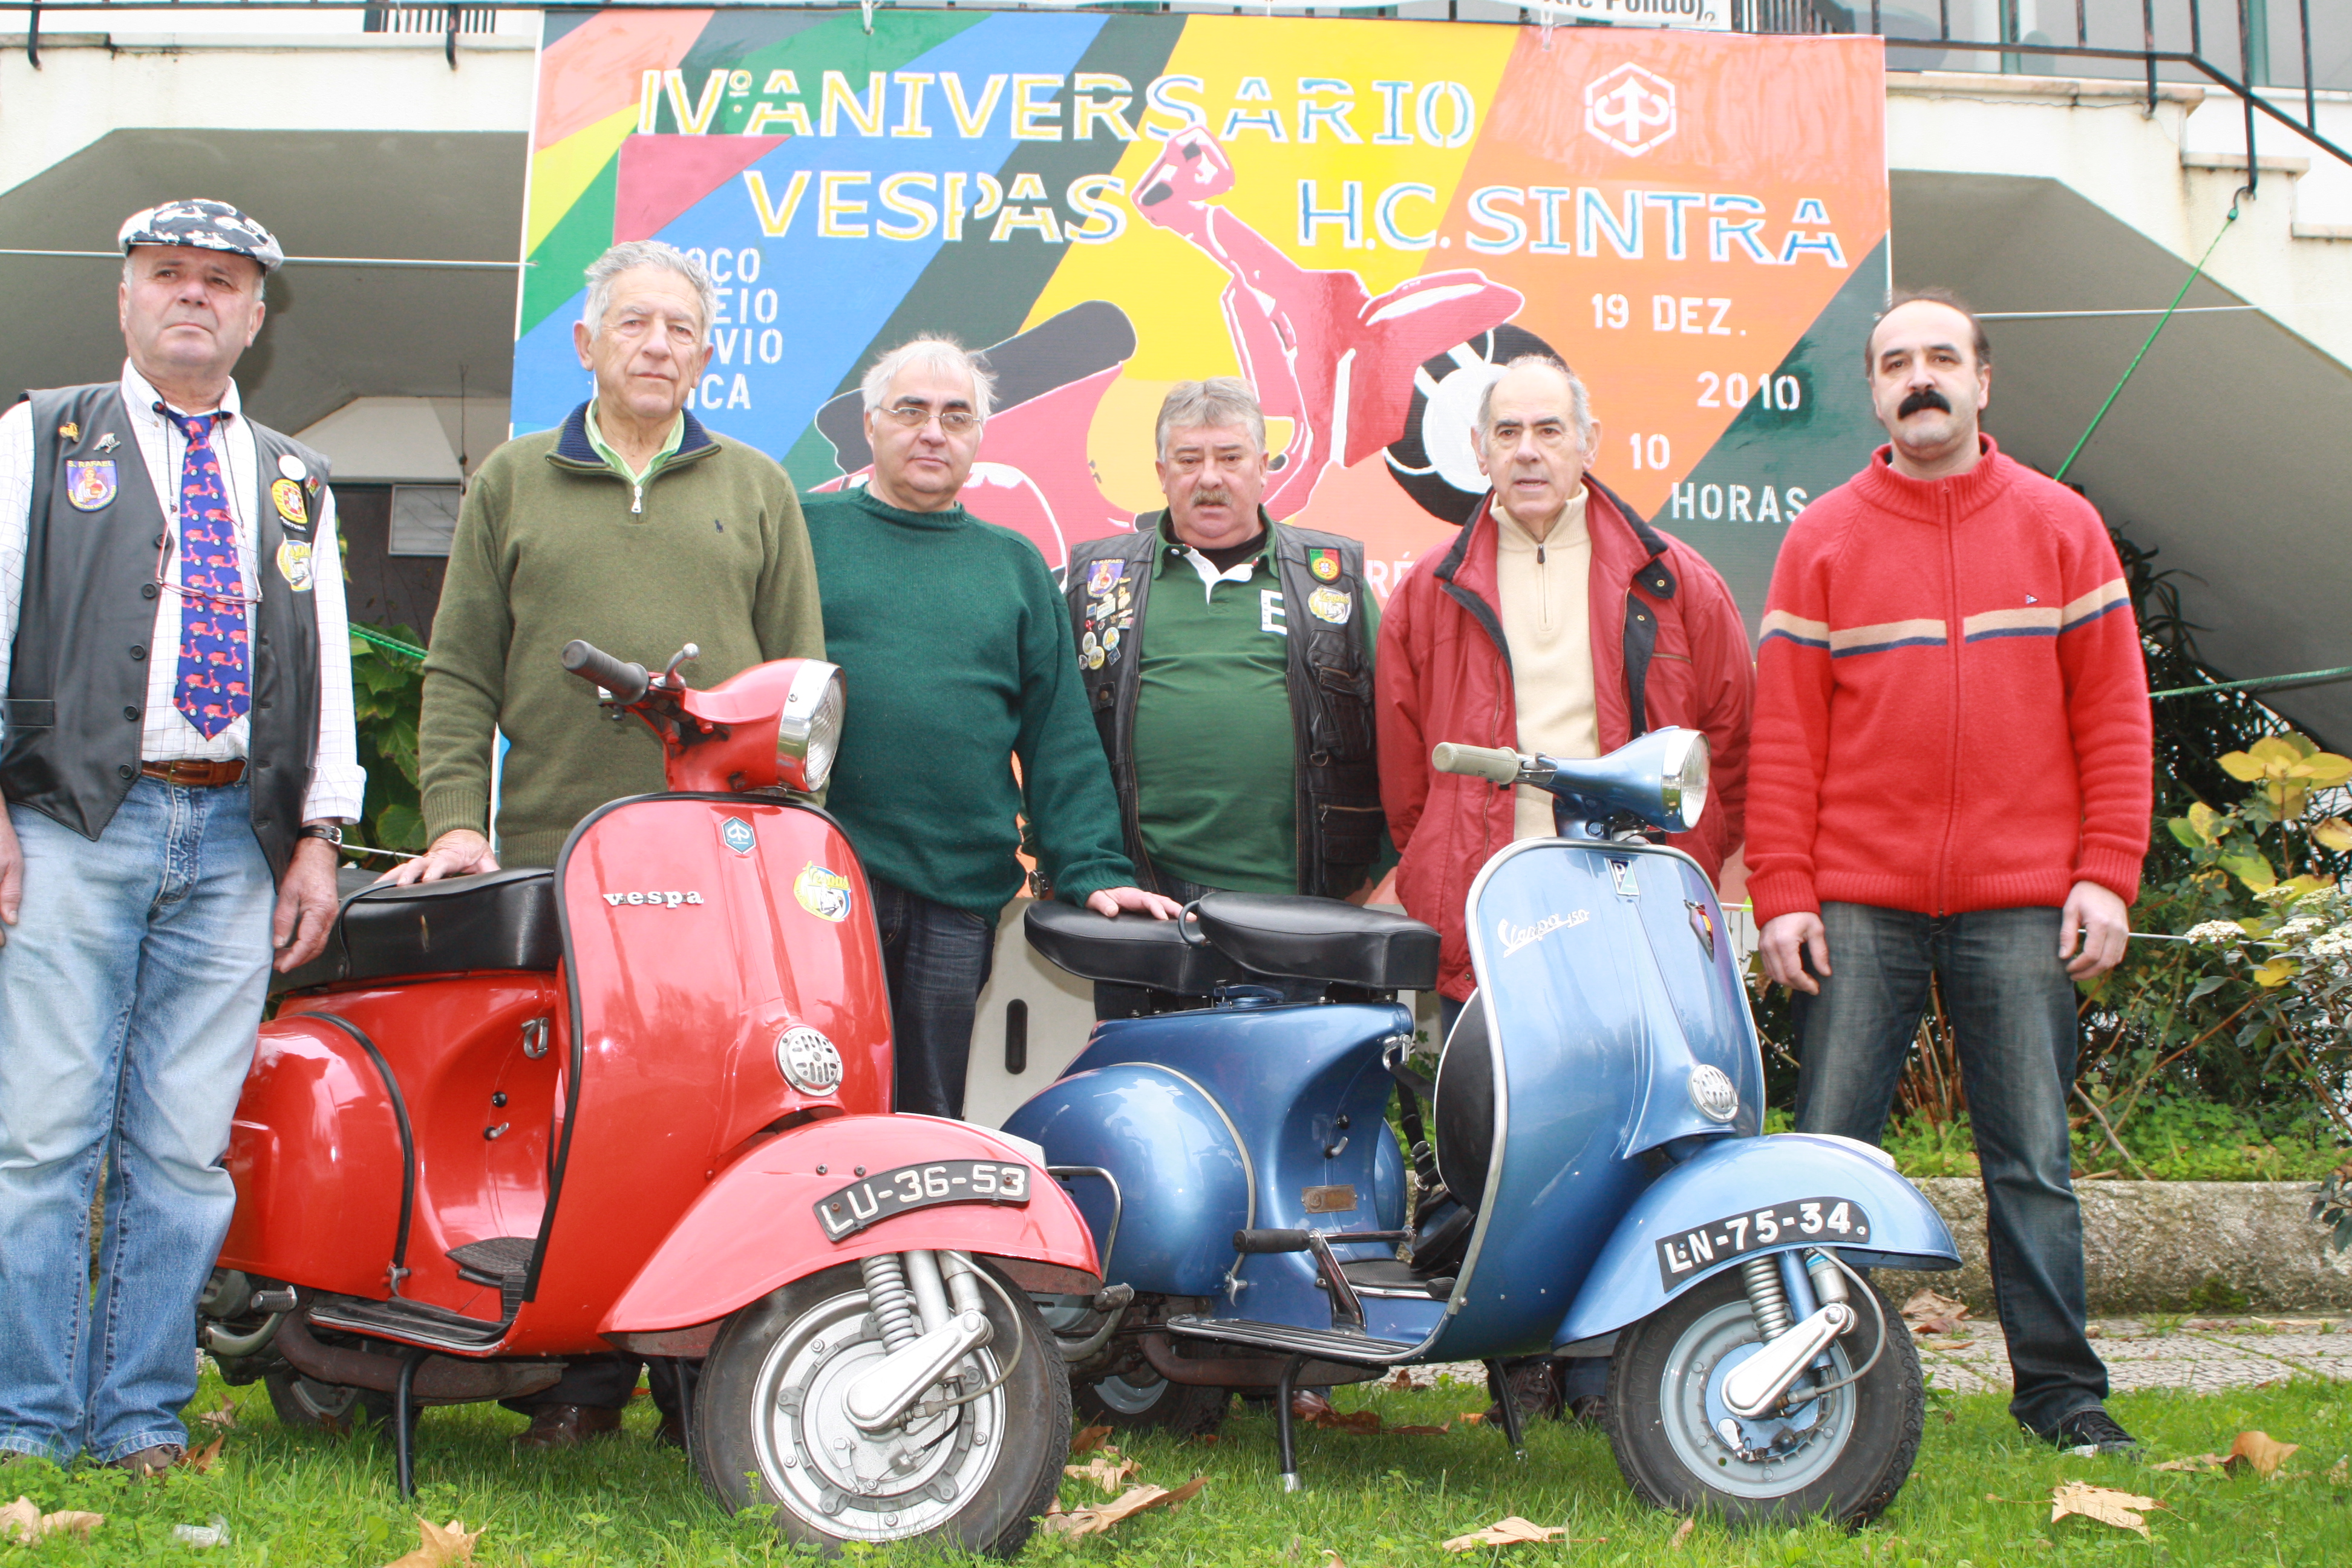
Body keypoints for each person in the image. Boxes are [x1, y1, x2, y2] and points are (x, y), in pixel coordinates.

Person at [393, 240, 825, 1450]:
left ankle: (702, 1375)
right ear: (586, 343)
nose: (657, 345)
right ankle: (573, 1380)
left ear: (707, 354)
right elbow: (459, 672)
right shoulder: (512, 481)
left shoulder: (760, 488)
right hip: (554, 858)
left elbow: (799, 691)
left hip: (723, 864)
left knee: (722, 1107)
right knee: (573, 1108)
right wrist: (457, 823)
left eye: (680, 328)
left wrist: (791, 844)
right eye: (634, 322)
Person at [1746, 288, 2151, 1456]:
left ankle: (2061, 1394)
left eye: (1938, 357)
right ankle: (1806, 1383)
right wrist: (1782, 890)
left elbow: (2113, 715)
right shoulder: (1822, 538)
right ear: (1872, 392)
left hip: (2023, 899)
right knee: (1825, 1158)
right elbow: (1785, 738)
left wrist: (2105, 871)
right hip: (1857, 900)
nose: (1916, 377)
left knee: (2031, 1162)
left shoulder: (2062, 526)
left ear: (1980, 380)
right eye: (1893, 362)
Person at [0, 201, 362, 1473]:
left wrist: (319, 837)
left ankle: (141, 1415)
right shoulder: (41, 437)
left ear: (257, 317)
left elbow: (324, 665)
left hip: (234, 843)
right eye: (168, 274)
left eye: (221, 281)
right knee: (44, 1137)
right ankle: (30, 1417)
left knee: (183, 1150)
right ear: (126, 297)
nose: (194, 295)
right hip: (72, 822)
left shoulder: (295, 477)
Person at [1375, 353, 1753, 1423]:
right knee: (1503, 1144)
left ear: (1589, 443)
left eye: (1549, 430)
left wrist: (1698, 870)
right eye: (1508, 433)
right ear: (1478, 451)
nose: (1529, 450)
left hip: (1628, 906)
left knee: (1630, 1132)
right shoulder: (1427, 592)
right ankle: (1519, 1364)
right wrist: (1444, 858)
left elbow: (1727, 739)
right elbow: (1406, 771)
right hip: (1495, 915)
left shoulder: (1674, 580)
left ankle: (1612, 1360)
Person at [802, 337, 1178, 1118]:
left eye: (955, 416)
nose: (932, 432)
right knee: (814, 1103)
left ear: (978, 436)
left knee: (928, 1116)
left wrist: (1092, 867)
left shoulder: (1014, 566)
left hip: (956, 894)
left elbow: (1057, 737)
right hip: (822, 882)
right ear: (871, 425)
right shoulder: (804, 534)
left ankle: (917, 1206)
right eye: (911, 411)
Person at [1062, 379, 1381, 1011]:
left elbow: (1394, 729)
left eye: (1230, 457)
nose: (1210, 478)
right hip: (1146, 914)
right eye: (1189, 459)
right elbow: (1057, 741)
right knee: (1151, 1074)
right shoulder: (1098, 582)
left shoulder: (1333, 582)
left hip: (1304, 912)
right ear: (1161, 474)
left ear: (1264, 467)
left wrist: (1387, 877)